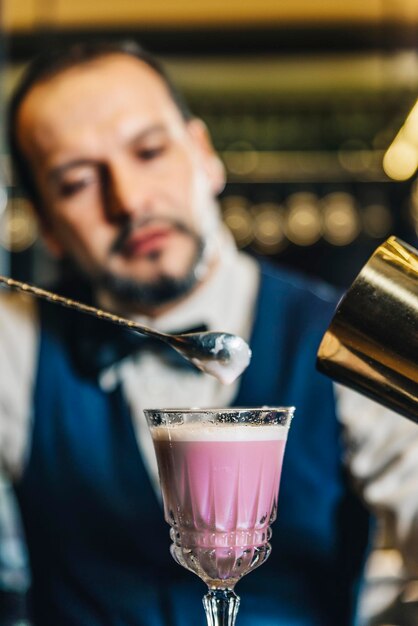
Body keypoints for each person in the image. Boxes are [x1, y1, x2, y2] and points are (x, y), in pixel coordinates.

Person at [2, 40, 418, 626]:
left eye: (149, 151)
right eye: (75, 182)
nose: (129, 201)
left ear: (204, 154)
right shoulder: (15, 347)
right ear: (45, 223)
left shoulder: (349, 333)